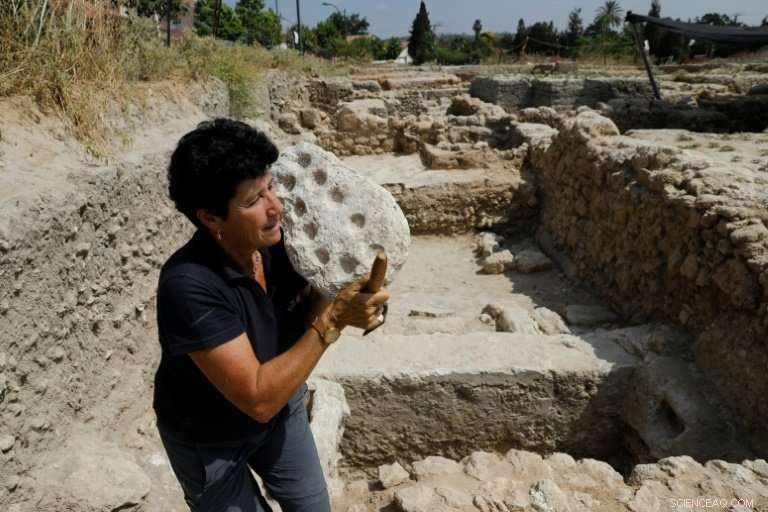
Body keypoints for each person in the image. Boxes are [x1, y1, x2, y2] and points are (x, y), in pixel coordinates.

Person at [154, 118, 390, 512]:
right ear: (211, 218)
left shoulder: (285, 242)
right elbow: (258, 398)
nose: (275, 207)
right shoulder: (189, 285)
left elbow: (332, 293)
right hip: (210, 439)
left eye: (271, 187)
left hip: (282, 410)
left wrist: (360, 300)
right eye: (253, 201)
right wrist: (332, 320)